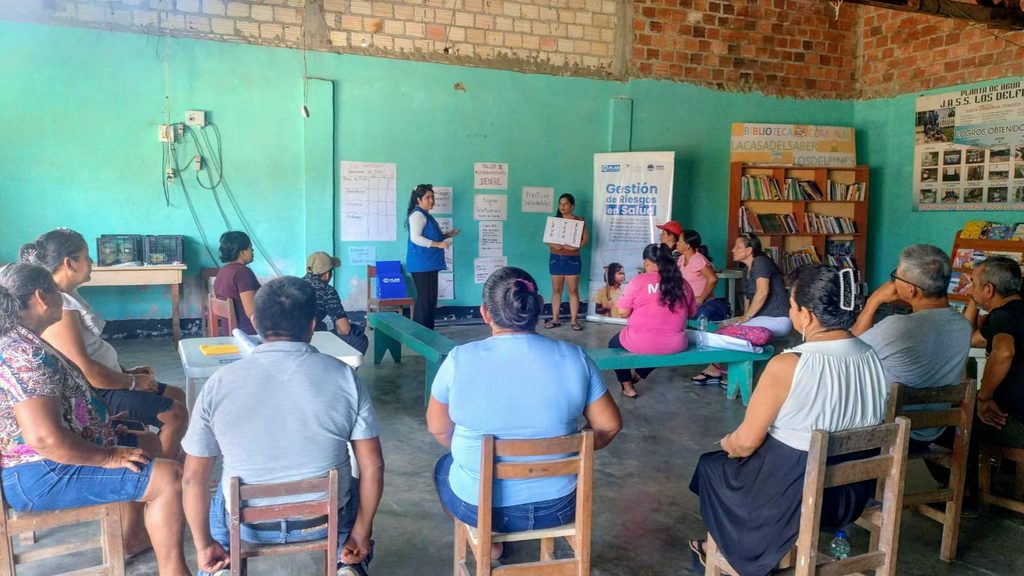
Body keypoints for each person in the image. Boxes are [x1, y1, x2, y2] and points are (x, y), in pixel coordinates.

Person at [688, 264, 888, 576]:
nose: (791, 313)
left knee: (712, 467)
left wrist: (729, 443)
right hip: (852, 493)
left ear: (806, 315)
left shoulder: (789, 364)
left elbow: (746, 442)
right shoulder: (871, 356)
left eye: (792, 306)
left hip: (797, 497)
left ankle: (732, 553)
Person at [182, 276, 384, 576]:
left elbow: (192, 479)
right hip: (322, 520)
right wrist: (361, 532)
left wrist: (203, 544)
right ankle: (346, 561)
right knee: (353, 490)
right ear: (313, 324)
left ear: (254, 321)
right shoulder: (345, 377)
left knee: (219, 501)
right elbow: (373, 466)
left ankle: (219, 566)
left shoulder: (219, 384)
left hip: (248, 525)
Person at [0, 262, 189, 575]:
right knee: (168, 477)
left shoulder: (22, 340)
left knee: (147, 442)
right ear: (42, 298)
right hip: (39, 475)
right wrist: (108, 455)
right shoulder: (25, 356)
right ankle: (174, 570)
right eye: (57, 292)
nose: (62, 298)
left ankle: (136, 534)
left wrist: (97, 424)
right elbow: (43, 439)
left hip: (40, 463)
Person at [427, 267, 621, 561]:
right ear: (539, 307)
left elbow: (439, 429)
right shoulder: (575, 357)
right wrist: (566, 452)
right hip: (558, 507)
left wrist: (475, 455)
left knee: (444, 467)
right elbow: (609, 427)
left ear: (485, 313)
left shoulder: (458, 360)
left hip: (480, 507)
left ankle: (487, 546)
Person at [21, 229, 188, 460]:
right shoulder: (62, 306)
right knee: (175, 414)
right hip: (95, 391)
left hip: (107, 380)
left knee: (177, 394)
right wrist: (131, 382)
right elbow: (84, 369)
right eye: (87, 256)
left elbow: (90, 350)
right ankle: (164, 473)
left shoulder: (69, 296)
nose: (91, 262)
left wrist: (124, 372)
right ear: (70, 263)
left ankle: (173, 461)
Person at [852, 244, 971, 447]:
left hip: (892, 430)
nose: (893, 282)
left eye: (895, 276)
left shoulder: (897, 327)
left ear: (910, 289)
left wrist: (874, 300)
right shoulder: (964, 325)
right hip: (934, 429)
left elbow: (848, 351)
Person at [961, 256, 1024, 505]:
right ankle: (998, 480)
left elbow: (1004, 351)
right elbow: (971, 337)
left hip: (1018, 421)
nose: (970, 288)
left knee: (954, 423)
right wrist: (974, 301)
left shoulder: (1002, 317)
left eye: (974, 284)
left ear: (989, 289)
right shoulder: (1012, 314)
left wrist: (983, 396)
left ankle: (966, 495)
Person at [692, 232, 791, 386]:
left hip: (777, 318)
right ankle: (721, 368)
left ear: (749, 250)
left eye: (737, 247)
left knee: (728, 332)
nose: (733, 250)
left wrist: (745, 317)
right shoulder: (747, 269)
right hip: (762, 319)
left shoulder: (761, 262)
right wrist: (741, 318)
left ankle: (720, 370)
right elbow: (748, 298)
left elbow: (762, 292)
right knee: (723, 325)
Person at [608, 243, 697, 398]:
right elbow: (692, 313)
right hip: (676, 344)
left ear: (646, 262)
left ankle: (628, 386)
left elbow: (622, 311)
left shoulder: (639, 280)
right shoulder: (682, 283)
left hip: (640, 341)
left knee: (613, 345)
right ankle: (641, 373)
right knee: (661, 345)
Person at [406, 184, 459, 330]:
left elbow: (429, 236)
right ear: (418, 200)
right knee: (425, 300)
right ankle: (421, 334)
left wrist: (447, 235)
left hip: (428, 264)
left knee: (429, 301)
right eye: (427, 197)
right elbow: (416, 238)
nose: (431, 200)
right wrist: (439, 244)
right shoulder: (417, 215)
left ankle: (426, 332)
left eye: (432, 197)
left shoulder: (425, 214)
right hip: (422, 265)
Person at [303, 251, 369, 355]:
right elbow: (344, 329)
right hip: (311, 338)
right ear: (327, 274)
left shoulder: (294, 285)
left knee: (323, 326)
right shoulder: (327, 291)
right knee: (358, 338)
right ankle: (341, 369)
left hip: (288, 339)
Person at [544, 193, 589, 331]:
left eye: (565, 204)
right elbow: (547, 239)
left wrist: (576, 246)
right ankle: (555, 318)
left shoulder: (579, 221)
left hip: (572, 259)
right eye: (560, 204)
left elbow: (585, 240)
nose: (562, 206)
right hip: (556, 258)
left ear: (572, 206)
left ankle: (574, 320)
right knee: (556, 290)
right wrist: (553, 245)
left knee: (573, 290)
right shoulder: (554, 221)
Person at [213, 231, 260, 335]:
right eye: (250, 247)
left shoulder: (223, 271)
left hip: (231, 331)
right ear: (242, 252)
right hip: (247, 333)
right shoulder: (243, 273)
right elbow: (251, 313)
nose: (252, 250)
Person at [677, 230, 720, 315]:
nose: (677, 243)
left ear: (687, 246)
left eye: (680, 241)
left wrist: (701, 298)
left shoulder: (698, 259)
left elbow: (713, 279)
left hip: (701, 304)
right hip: (688, 301)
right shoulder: (681, 259)